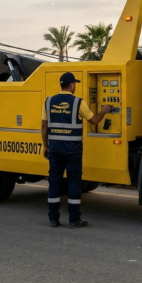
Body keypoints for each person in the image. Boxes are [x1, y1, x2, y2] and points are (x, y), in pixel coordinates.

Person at [41, 72, 111, 228]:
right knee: (73, 183)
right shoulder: (78, 102)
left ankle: (53, 219)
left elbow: (44, 125)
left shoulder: (49, 101)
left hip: (55, 149)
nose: (75, 86)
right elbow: (94, 120)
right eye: (75, 84)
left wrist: (45, 146)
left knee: (54, 182)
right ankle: (74, 219)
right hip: (73, 150)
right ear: (71, 85)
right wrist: (104, 111)